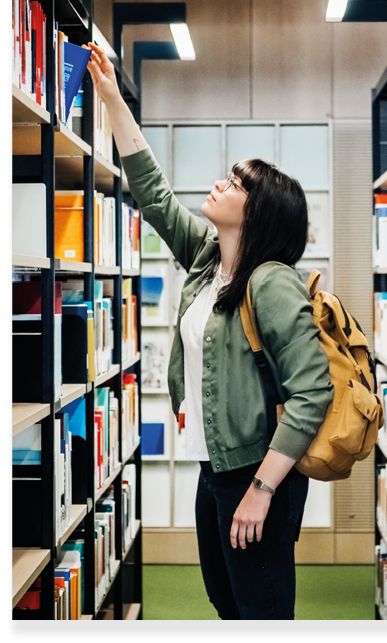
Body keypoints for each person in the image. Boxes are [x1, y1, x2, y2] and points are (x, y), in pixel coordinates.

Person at [85, 42, 333, 620]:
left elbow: (313, 392)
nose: (221, 184)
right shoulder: (207, 262)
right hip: (213, 466)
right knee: (229, 603)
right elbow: (153, 194)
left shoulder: (270, 282)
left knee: (263, 611)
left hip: (255, 472)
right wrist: (112, 101)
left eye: (237, 183)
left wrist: (263, 490)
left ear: (261, 213)